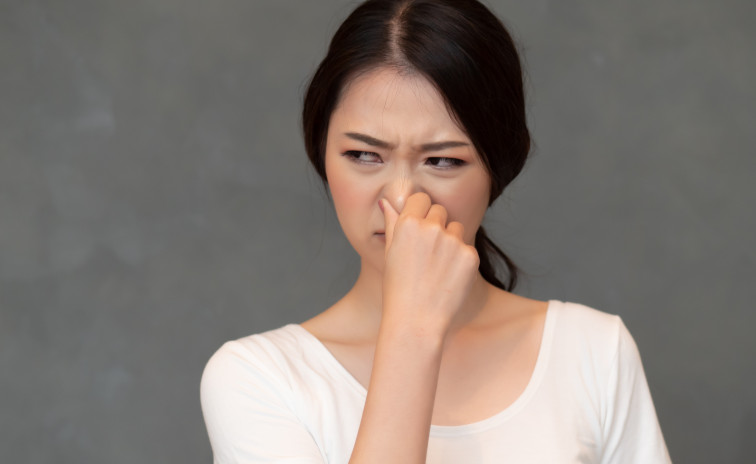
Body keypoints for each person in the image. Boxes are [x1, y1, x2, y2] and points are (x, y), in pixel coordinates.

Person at [200, 0, 672, 462]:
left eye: (443, 160)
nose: (402, 199)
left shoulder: (594, 353)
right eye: (364, 155)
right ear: (321, 152)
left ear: (498, 167)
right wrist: (413, 330)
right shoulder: (259, 379)